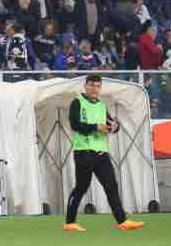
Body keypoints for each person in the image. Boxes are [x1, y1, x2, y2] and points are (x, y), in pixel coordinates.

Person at [62, 74, 144, 232]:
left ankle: (122, 221)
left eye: (98, 86)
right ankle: (69, 222)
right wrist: (95, 127)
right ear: (85, 86)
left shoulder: (101, 104)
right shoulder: (77, 102)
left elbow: (110, 123)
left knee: (111, 186)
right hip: (84, 152)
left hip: (101, 153)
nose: (94, 89)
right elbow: (75, 125)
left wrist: (114, 127)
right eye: (92, 85)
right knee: (81, 188)